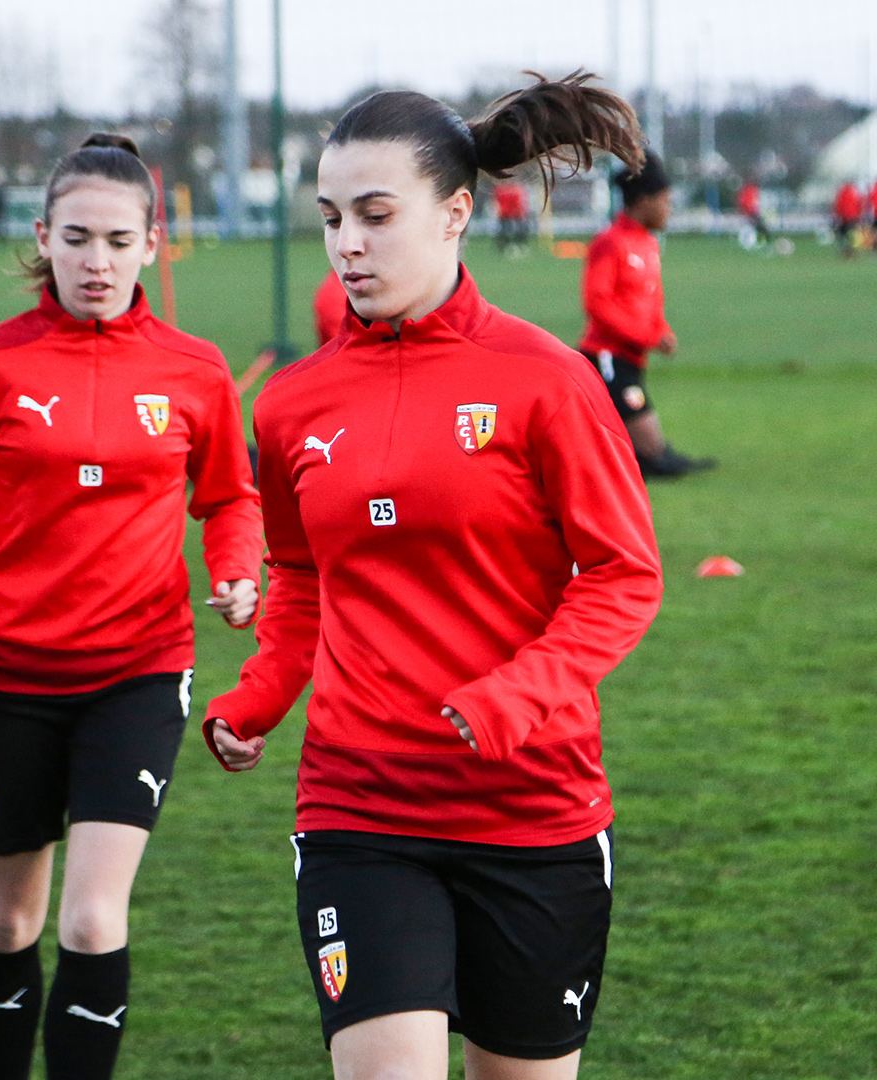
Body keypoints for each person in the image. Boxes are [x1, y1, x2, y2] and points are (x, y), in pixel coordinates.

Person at [205, 74, 665, 1080]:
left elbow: (624, 576)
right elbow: (299, 578)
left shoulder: (549, 380)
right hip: (359, 810)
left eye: (375, 215)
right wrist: (260, 696)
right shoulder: (289, 406)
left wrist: (519, 696)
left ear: (456, 214)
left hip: (533, 811)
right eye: (331, 219)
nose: (347, 245)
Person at [0, 133, 262, 1080]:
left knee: (93, 916)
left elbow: (231, 494)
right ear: (44, 237)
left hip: (138, 673)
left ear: (152, 244)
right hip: (3, 681)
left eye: (119, 240)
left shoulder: (194, 368)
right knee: (6, 917)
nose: (98, 262)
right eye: (79, 238)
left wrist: (237, 567)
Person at [580, 151, 715, 479]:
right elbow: (597, 303)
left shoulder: (648, 244)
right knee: (653, 458)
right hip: (607, 358)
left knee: (653, 451)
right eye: (665, 200)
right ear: (643, 201)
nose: (669, 208)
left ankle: (633, 452)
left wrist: (662, 329)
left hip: (632, 358)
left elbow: (651, 298)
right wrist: (648, 336)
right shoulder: (610, 243)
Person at [493, 179, 531, 255]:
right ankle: (513, 246)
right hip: (510, 214)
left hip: (510, 214)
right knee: (507, 231)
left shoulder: (504, 191)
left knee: (507, 231)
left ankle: (508, 246)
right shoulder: (515, 190)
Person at [833, 179, 863, 258]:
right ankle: (852, 251)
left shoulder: (841, 192)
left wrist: (837, 215)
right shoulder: (856, 192)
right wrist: (859, 215)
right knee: (851, 235)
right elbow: (860, 204)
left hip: (845, 218)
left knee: (843, 235)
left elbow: (838, 205)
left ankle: (846, 251)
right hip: (853, 217)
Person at [736, 180, 771, 244]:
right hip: (751, 213)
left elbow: (747, 203)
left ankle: (762, 239)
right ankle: (763, 239)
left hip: (751, 213)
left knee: (758, 226)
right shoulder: (749, 191)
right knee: (757, 226)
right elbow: (746, 203)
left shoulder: (751, 190)